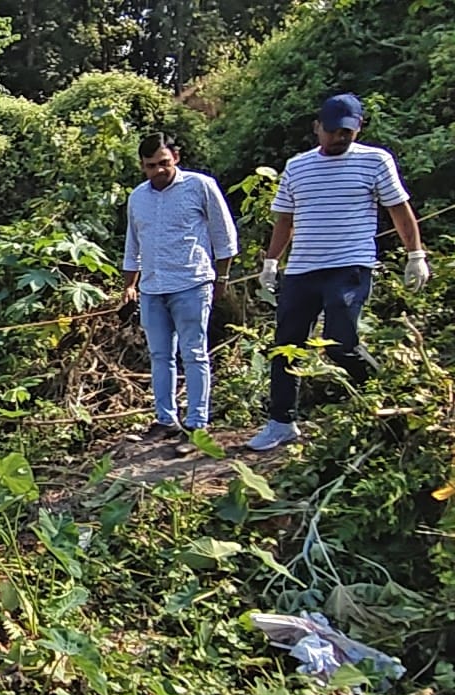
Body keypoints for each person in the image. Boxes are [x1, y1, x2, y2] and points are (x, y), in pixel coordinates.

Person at [246, 93, 430, 452]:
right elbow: (285, 219)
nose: (339, 138)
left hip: (349, 265)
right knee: (286, 345)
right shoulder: (297, 166)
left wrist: (416, 254)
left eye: (346, 131)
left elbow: (400, 210)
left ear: (358, 127)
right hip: (302, 268)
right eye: (331, 131)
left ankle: (382, 397)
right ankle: (281, 422)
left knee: (341, 340)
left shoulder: (375, 161)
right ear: (317, 128)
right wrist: (271, 262)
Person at [121, 132, 238, 439]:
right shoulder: (138, 197)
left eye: (163, 163)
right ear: (142, 166)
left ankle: (198, 423)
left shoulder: (200, 186)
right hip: (152, 288)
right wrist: (129, 286)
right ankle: (165, 420)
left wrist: (222, 277)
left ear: (176, 158)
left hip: (191, 283)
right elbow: (132, 244)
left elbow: (223, 235)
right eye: (150, 166)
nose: (158, 171)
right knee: (160, 355)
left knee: (194, 352)